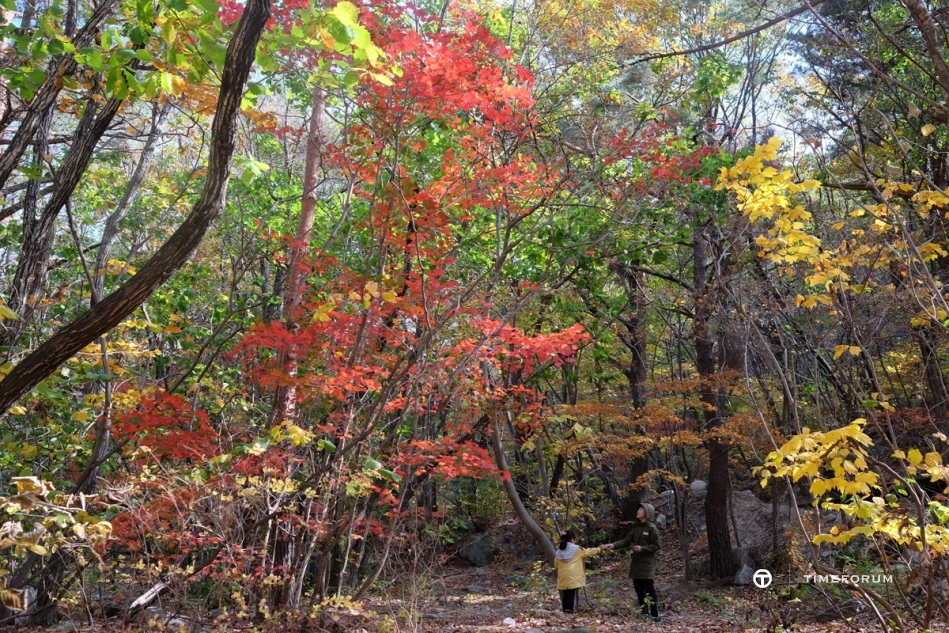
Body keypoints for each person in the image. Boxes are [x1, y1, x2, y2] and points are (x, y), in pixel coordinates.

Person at [602, 502, 662, 622]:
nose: (638, 510)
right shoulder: (636, 527)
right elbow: (626, 541)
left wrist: (642, 548)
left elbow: (656, 546)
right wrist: (612, 545)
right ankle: (644, 613)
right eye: (638, 508)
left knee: (649, 589)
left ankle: (655, 615)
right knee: (638, 589)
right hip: (636, 563)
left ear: (647, 512)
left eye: (641, 509)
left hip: (647, 564)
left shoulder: (652, 528)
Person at [553, 529, 605, 614]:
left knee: (566, 595)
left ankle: (565, 613)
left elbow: (556, 565)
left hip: (562, 576)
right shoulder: (577, 549)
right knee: (571, 595)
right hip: (573, 576)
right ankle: (569, 614)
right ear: (572, 539)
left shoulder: (559, 551)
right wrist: (599, 549)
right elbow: (588, 552)